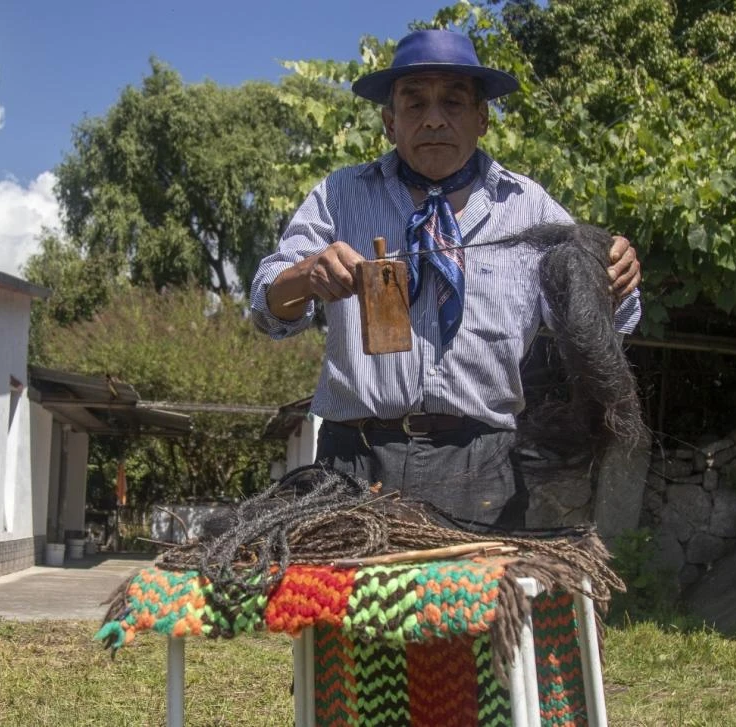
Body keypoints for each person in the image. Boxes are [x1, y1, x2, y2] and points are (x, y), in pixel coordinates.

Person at [250, 30, 641, 530]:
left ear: (482, 119)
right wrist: (306, 274)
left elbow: (608, 321)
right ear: (390, 123)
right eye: (415, 104)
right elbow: (267, 305)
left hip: (480, 470)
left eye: (453, 102)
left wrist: (617, 277)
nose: (434, 118)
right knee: (341, 606)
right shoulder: (340, 194)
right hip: (352, 462)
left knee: (466, 608)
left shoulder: (528, 207)